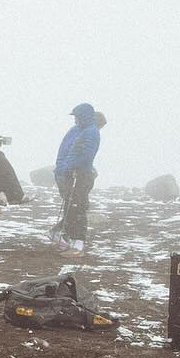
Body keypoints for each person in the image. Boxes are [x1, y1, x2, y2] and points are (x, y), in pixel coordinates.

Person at [55, 103, 102, 252]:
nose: (75, 119)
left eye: (76, 116)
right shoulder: (81, 130)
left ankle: (78, 242)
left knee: (78, 207)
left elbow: (87, 155)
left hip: (81, 174)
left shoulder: (90, 132)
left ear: (83, 116)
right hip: (74, 172)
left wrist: (70, 167)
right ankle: (68, 238)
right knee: (73, 206)